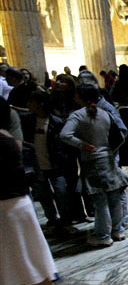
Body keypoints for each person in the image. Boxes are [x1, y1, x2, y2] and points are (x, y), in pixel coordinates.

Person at [0, 125, 75, 285]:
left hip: (9, 207)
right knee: (13, 258)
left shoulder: (2, 140)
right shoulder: (6, 136)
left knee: (21, 258)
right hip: (14, 205)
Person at [60, 84, 128, 246]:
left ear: (81, 97)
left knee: (100, 201)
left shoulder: (78, 115)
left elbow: (65, 135)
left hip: (92, 162)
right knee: (114, 198)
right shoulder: (106, 114)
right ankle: (117, 231)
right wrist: (110, 151)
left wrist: (81, 144)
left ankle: (103, 236)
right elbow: (120, 136)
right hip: (108, 160)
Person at [28, 90, 69, 232]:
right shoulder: (29, 121)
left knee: (61, 193)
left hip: (55, 165)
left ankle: (64, 219)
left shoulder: (56, 122)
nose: (29, 105)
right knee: (43, 195)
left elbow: (62, 145)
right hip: (38, 165)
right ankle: (52, 219)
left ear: (41, 104)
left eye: (32, 102)